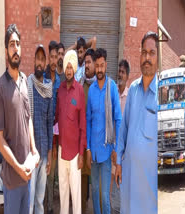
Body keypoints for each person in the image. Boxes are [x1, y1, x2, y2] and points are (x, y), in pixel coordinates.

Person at [0, 24, 39, 214]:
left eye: (18, 44)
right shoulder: (0, 88)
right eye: (12, 44)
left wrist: (34, 151)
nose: (15, 48)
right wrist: (18, 167)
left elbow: (28, 119)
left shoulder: (24, 81)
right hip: (12, 178)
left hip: (27, 174)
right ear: (6, 51)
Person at [115, 31, 159, 214]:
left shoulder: (162, 94)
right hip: (129, 178)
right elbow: (123, 129)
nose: (147, 57)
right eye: (144, 52)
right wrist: (118, 162)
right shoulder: (133, 89)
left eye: (151, 53)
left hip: (148, 187)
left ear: (158, 57)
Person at [86, 48, 121, 214]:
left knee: (105, 196)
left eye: (101, 66)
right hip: (93, 152)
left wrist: (116, 148)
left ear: (106, 65)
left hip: (107, 151)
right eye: (97, 66)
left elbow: (118, 119)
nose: (99, 69)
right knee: (94, 192)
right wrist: (87, 148)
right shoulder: (91, 90)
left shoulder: (112, 87)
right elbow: (88, 120)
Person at [55, 50, 86, 214]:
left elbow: (83, 125)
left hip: (75, 153)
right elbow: (56, 118)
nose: (68, 71)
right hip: (61, 151)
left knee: (76, 194)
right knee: (63, 192)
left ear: (74, 69)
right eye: (66, 67)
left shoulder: (79, 90)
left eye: (70, 67)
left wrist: (81, 153)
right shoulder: (59, 90)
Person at [28, 44, 53, 214]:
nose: (40, 62)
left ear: (45, 63)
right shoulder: (27, 83)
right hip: (30, 153)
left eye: (43, 59)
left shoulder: (49, 88)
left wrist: (50, 154)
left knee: (39, 200)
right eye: (38, 58)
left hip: (43, 152)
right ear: (34, 60)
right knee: (29, 201)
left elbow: (50, 122)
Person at [110, 59, 130, 214]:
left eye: (123, 72)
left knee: (123, 186)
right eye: (119, 71)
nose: (120, 74)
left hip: (125, 152)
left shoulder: (130, 97)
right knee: (112, 188)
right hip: (113, 150)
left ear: (127, 76)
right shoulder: (113, 94)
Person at [45, 40, 61, 214]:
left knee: (52, 173)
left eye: (56, 56)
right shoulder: (42, 77)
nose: (54, 59)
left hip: (56, 133)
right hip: (44, 131)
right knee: (44, 173)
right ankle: (42, 206)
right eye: (52, 56)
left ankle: (49, 207)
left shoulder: (61, 80)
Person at [81, 48, 97, 214]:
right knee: (83, 181)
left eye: (89, 62)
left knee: (97, 184)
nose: (86, 65)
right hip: (83, 143)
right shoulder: (81, 86)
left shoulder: (101, 86)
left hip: (97, 143)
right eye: (85, 62)